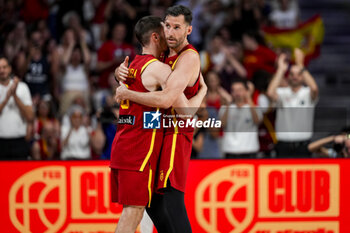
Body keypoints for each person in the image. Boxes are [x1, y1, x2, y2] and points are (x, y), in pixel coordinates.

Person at [111, 15, 206, 233]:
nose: (169, 37)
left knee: (141, 209)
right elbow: (186, 112)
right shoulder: (160, 70)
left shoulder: (130, 64)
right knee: (132, 212)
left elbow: (149, 112)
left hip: (123, 143)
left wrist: (122, 83)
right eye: (165, 33)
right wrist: (203, 92)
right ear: (155, 37)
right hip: (138, 151)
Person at [267, 48, 319, 157]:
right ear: (288, 76)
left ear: (303, 77)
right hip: (283, 145)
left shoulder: (307, 93)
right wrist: (281, 69)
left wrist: (301, 65)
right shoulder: (282, 92)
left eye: (298, 74)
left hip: (303, 145)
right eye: (292, 74)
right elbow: (270, 93)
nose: (295, 77)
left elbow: (314, 88)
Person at [0, 56, 34, 160]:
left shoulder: (22, 87)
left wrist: (15, 96)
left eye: (4, 67)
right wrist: (6, 98)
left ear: (10, 68)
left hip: (19, 141)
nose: (1, 70)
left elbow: (30, 116)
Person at [219, 79, 262, 158]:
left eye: (240, 90)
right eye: (234, 90)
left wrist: (249, 98)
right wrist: (228, 104)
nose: (237, 93)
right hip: (230, 150)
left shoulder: (253, 107)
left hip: (250, 150)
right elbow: (222, 124)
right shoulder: (225, 108)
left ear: (246, 91)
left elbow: (257, 120)